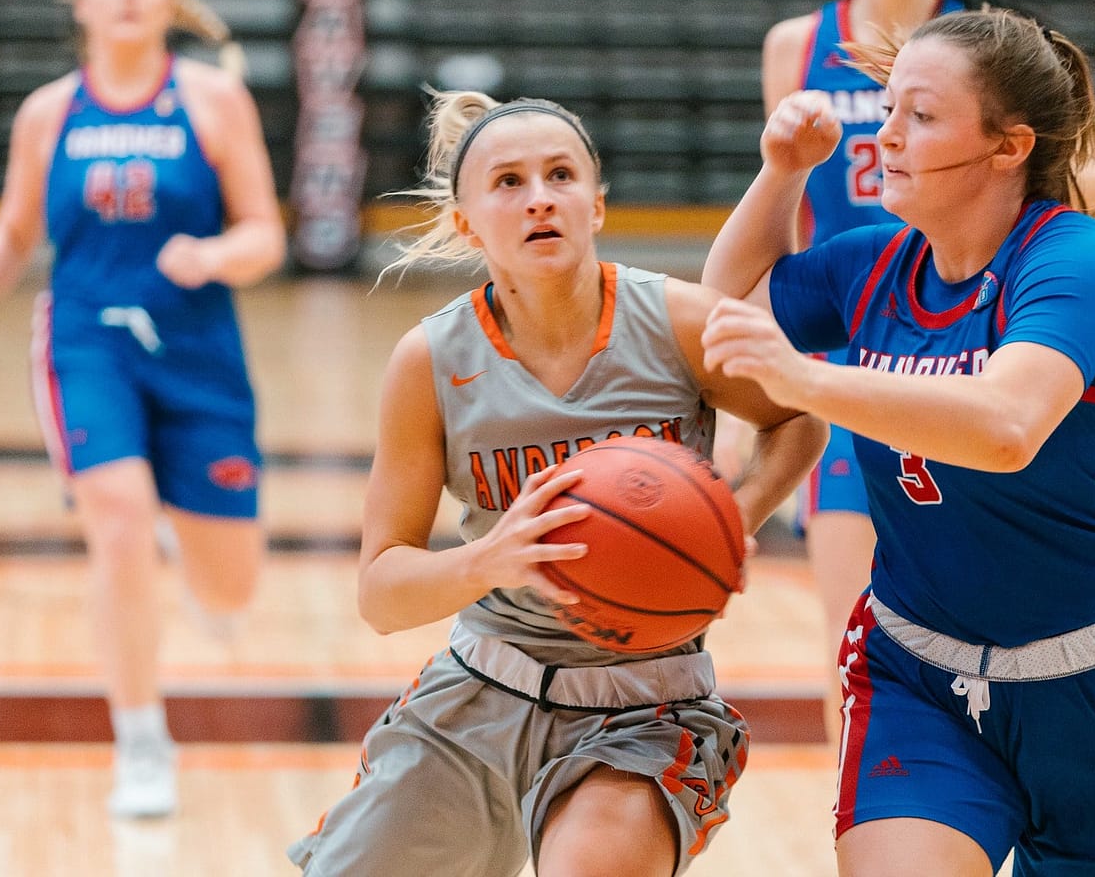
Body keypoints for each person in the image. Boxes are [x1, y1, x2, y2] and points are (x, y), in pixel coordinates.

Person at [699, 9, 1095, 876]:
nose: (885, 136)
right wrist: (780, 174)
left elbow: (1006, 427)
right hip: (919, 673)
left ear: (1009, 146)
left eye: (919, 117)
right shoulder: (871, 264)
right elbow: (719, 315)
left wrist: (808, 380)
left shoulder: (1075, 260)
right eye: (888, 109)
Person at [286, 90, 827, 876]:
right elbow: (380, 590)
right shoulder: (431, 360)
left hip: (647, 705)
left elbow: (799, 415)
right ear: (469, 222)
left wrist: (736, 517)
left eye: (561, 175)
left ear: (596, 206)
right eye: (508, 182)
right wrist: (486, 561)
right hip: (479, 690)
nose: (539, 197)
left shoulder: (677, 320)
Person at [717, 0, 1095, 745]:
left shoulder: (984, 46)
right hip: (847, 334)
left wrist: (1008, 181)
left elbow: (1092, 180)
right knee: (847, 631)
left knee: (988, 618)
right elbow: (770, 230)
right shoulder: (800, 45)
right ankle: (870, 806)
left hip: (973, 333)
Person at [0, 0, 285, 819]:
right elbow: (14, 230)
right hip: (86, 341)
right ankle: (141, 740)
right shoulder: (50, 113)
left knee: (228, 585)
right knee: (115, 515)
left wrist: (213, 256)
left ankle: (188, 549)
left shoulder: (211, 101)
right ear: (82, 3)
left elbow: (266, 233)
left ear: (169, 3)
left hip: (198, 350)